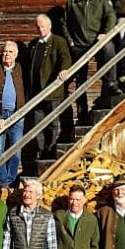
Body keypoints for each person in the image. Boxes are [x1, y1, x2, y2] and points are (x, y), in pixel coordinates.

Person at [63, 0, 119, 124]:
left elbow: (111, 17)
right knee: (81, 82)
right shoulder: (73, 0)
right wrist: (70, 41)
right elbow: (64, 22)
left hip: (97, 42)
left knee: (109, 49)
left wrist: (105, 33)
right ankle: (82, 116)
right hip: (79, 45)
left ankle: (111, 84)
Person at [26, 14, 71, 159]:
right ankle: (40, 150)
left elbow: (65, 57)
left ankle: (50, 150)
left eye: (42, 26)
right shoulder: (34, 44)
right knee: (38, 124)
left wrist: (64, 70)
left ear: (49, 26)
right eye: (38, 27)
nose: (40, 29)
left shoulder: (58, 42)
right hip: (37, 93)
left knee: (52, 123)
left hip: (52, 91)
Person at [0, 41, 25, 188]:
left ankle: (10, 179)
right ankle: (3, 181)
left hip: (17, 115)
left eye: (10, 52)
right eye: (5, 51)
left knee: (16, 149)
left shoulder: (20, 68)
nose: (6, 54)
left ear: (16, 55)